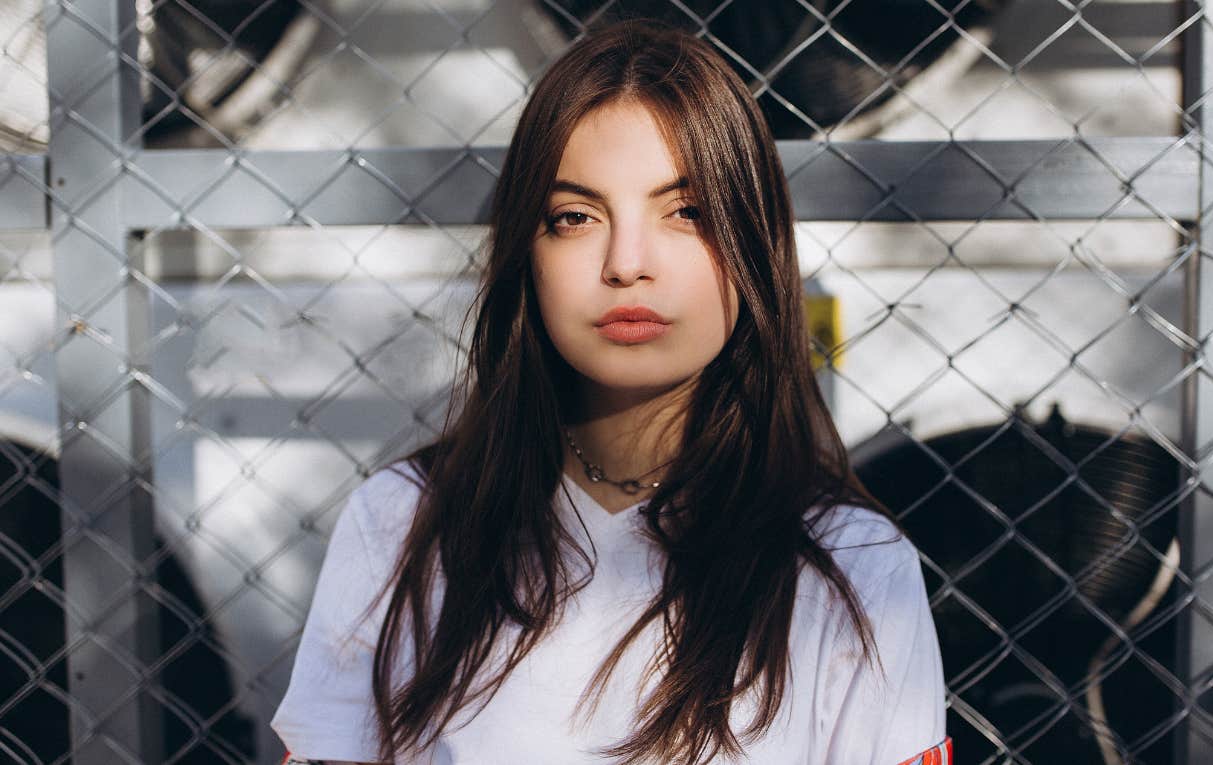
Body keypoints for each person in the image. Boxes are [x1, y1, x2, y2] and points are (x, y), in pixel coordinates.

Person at [270, 19, 948, 765]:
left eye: (686, 212)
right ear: (527, 254)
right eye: (575, 217)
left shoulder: (856, 565)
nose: (627, 263)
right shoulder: (404, 524)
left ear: (754, 243)